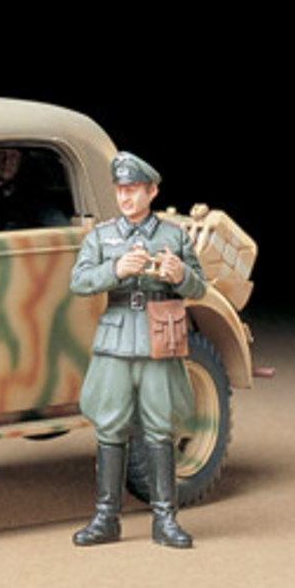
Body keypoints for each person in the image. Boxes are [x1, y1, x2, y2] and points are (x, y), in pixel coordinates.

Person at [69, 151, 206, 549]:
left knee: (160, 426)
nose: (125, 197)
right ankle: (106, 517)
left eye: (133, 190)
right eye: (120, 190)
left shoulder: (173, 236)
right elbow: (79, 282)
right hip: (115, 338)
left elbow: (200, 287)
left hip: (158, 337)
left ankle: (165, 518)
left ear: (152, 192)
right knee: (110, 425)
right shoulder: (101, 237)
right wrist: (116, 270)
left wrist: (180, 275)